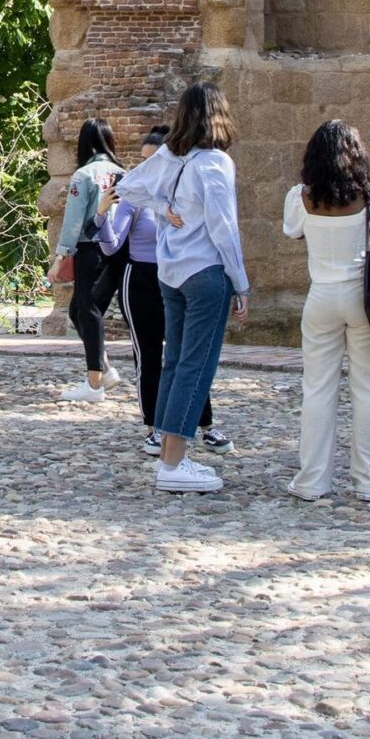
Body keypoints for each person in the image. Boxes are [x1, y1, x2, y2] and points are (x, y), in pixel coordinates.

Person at [113, 83, 248, 494]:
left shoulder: (171, 157)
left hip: (170, 273)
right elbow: (224, 228)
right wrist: (241, 283)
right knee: (196, 365)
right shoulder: (214, 164)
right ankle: (174, 464)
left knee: (175, 364)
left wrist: (161, 208)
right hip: (205, 272)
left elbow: (127, 187)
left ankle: (170, 456)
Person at [284, 121, 370, 502]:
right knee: (369, 389)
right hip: (363, 298)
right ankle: (368, 481)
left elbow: (293, 231)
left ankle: (312, 480)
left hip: (321, 296)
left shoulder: (300, 197)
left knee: (317, 389)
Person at [100, 128, 226, 455]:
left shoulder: (187, 190)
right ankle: (154, 427)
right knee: (151, 356)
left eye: (150, 161)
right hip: (140, 279)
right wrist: (101, 214)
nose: (143, 169)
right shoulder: (136, 199)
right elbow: (113, 245)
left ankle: (205, 424)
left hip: (176, 275)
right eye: (140, 161)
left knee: (189, 354)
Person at [50, 119, 125, 402]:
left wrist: (60, 257)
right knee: (79, 310)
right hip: (118, 251)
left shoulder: (84, 175)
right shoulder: (123, 173)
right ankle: (104, 369)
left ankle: (94, 383)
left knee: (88, 311)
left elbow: (72, 222)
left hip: (90, 249)